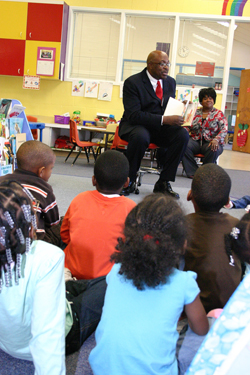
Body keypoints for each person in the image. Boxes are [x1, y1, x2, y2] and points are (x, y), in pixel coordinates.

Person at [89, 193, 209, 375]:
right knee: (211, 325)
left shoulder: (117, 270)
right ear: (182, 244)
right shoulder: (184, 283)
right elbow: (201, 329)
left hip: (102, 369)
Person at [0, 181, 66, 374]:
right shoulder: (49, 257)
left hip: (5, 341)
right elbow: (48, 335)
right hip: (29, 349)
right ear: (31, 227)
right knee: (98, 287)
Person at [119, 50, 189, 198]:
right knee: (141, 135)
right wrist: (164, 120)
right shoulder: (133, 83)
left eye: (167, 63)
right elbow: (134, 115)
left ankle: (163, 182)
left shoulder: (170, 82)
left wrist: (179, 109)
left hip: (158, 128)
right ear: (150, 65)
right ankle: (129, 180)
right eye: (162, 64)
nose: (166, 67)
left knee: (182, 135)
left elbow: (166, 106)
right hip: (135, 125)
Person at [61, 150, 136, 280]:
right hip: (107, 279)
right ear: (126, 182)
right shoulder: (132, 208)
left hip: (72, 271)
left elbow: (65, 235)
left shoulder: (79, 199)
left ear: (93, 180)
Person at [184, 163, 242, 313]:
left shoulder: (181, 224)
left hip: (196, 311)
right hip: (233, 308)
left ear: (190, 195)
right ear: (227, 201)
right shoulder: (238, 225)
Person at [0, 140, 61, 246]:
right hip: (32, 243)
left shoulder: (2, 181)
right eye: (51, 168)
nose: (51, 172)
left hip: (4, 240)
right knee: (62, 224)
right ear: (41, 171)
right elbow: (53, 222)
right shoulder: (44, 191)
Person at [182, 87, 228, 179]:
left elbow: (224, 129)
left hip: (211, 142)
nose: (208, 100)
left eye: (210, 98)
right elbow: (187, 126)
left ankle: (205, 172)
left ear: (214, 100)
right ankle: (193, 172)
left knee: (213, 148)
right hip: (195, 140)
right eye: (205, 98)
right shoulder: (194, 112)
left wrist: (216, 140)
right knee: (183, 144)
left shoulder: (219, 114)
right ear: (201, 101)